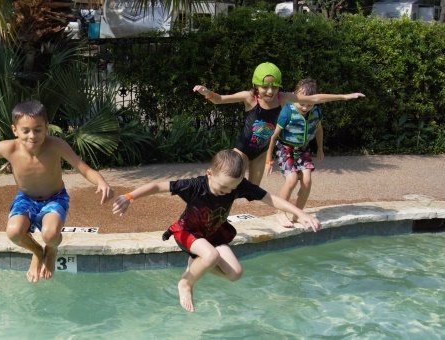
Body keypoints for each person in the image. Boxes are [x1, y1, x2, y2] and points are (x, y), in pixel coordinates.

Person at [111, 149, 321, 312]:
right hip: (187, 232)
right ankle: (185, 283)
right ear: (209, 174)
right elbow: (158, 186)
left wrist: (301, 214)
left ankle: (197, 263)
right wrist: (129, 197)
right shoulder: (195, 185)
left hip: (213, 233)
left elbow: (270, 198)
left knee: (235, 273)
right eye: (223, 188)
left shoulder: (237, 186)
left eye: (231, 189)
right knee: (210, 255)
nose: (227, 192)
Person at [0, 99, 113, 282]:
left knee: (50, 235)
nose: (32, 136)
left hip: (55, 198)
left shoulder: (56, 145)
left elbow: (83, 168)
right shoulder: (8, 148)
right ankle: (36, 252)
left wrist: (101, 182)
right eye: (25, 131)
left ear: (46, 127)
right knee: (13, 232)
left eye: (38, 130)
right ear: (15, 130)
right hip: (26, 198)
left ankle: (51, 250)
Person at [192, 62, 364, 185]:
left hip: (261, 153)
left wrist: (344, 96)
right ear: (256, 85)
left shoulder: (283, 99)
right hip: (243, 150)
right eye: (265, 87)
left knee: (252, 190)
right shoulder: (249, 97)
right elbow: (220, 99)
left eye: (274, 87)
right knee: (230, 180)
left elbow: (314, 98)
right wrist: (207, 92)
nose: (270, 91)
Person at [264, 78, 325, 227]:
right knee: (291, 179)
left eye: (309, 104)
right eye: (301, 103)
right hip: (286, 148)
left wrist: (320, 149)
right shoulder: (288, 111)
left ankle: (298, 214)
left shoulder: (315, 112)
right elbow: (273, 136)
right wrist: (268, 160)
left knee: (307, 180)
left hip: (303, 149)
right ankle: (280, 213)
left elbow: (319, 130)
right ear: (294, 97)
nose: (305, 108)